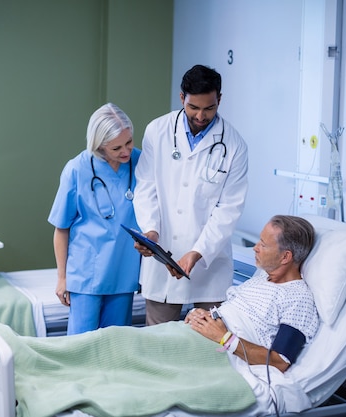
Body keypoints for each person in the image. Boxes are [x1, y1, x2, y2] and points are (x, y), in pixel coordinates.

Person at [133, 64, 249, 325]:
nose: (200, 115)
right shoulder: (157, 131)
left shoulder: (234, 145)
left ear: (219, 99)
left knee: (211, 343)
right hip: (163, 254)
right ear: (181, 97)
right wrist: (150, 231)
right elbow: (146, 186)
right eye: (193, 107)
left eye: (209, 108)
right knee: (158, 342)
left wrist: (197, 252)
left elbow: (229, 209)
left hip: (210, 262)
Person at [48, 102, 141, 335]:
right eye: (116, 147)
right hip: (86, 274)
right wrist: (62, 278)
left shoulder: (139, 162)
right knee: (81, 347)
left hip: (123, 271)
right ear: (99, 145)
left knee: (116, 346)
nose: (126, 152)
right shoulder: (77, 169)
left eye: (129, 142)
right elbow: (61, 229)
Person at [185, 215, 319, 372]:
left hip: (218, 351)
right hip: (199, 336)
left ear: (285, 256)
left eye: (263, 244)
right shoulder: (260, 279)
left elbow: (280, 361)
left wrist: (225, 338)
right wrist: (201, 316)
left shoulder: (298, 299)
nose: (255, 248)